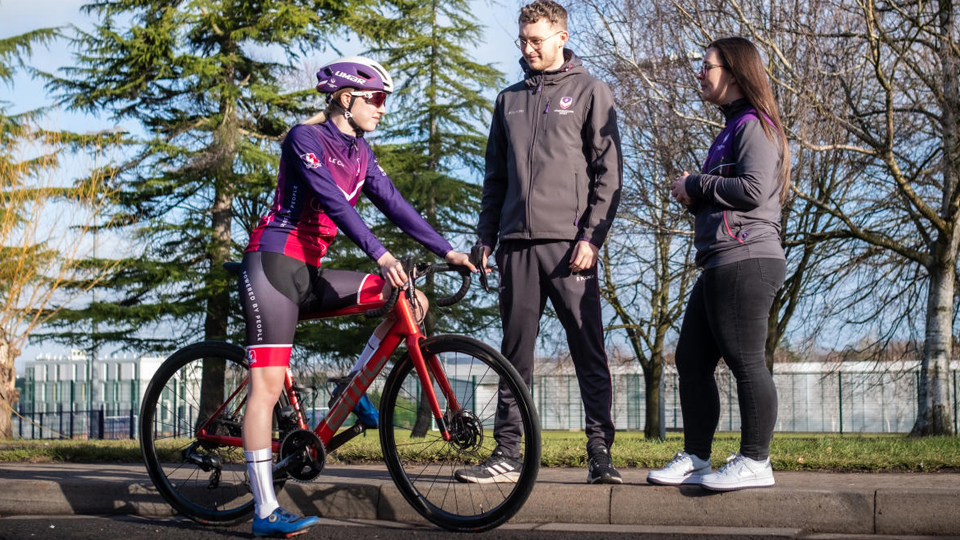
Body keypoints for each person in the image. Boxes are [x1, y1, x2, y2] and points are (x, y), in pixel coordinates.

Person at [239, 56, 476, 537]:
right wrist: (381, 254)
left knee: (412, 301)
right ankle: (265, 511)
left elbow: (396, 204)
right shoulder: (305, 139)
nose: (383, 109)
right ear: (347, 99)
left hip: (311, 270)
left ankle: (347, 391)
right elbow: (329, 199)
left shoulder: (362, 153)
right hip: (274, 264)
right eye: (377, 99)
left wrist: (447, 249)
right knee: (264, 389)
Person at [457, 0, 623, 485]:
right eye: (523, 40)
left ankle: (600, 455)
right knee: (514, 355)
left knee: (588, 349)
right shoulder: (507, 100)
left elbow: (607, 175)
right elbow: (495, 177)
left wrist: (592, 237)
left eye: (536, 39)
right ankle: (507, 454)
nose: (527, 48)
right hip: (516, 247)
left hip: (571, 248)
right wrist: (486, 235)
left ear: (561, 37)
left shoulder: (592, 91)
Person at [646, 37, 791, 491]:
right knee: (691, 359)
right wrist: (694, 194)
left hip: (747, 259)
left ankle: (755, 461)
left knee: (746, 360)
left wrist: (697, 182)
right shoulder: (730, 129)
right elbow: (728, 197)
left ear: (733, 71)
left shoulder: (755, 125)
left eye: (705, 66)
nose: (699, 73)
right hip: (720, 260)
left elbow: (750, 189)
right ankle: (696, 457)